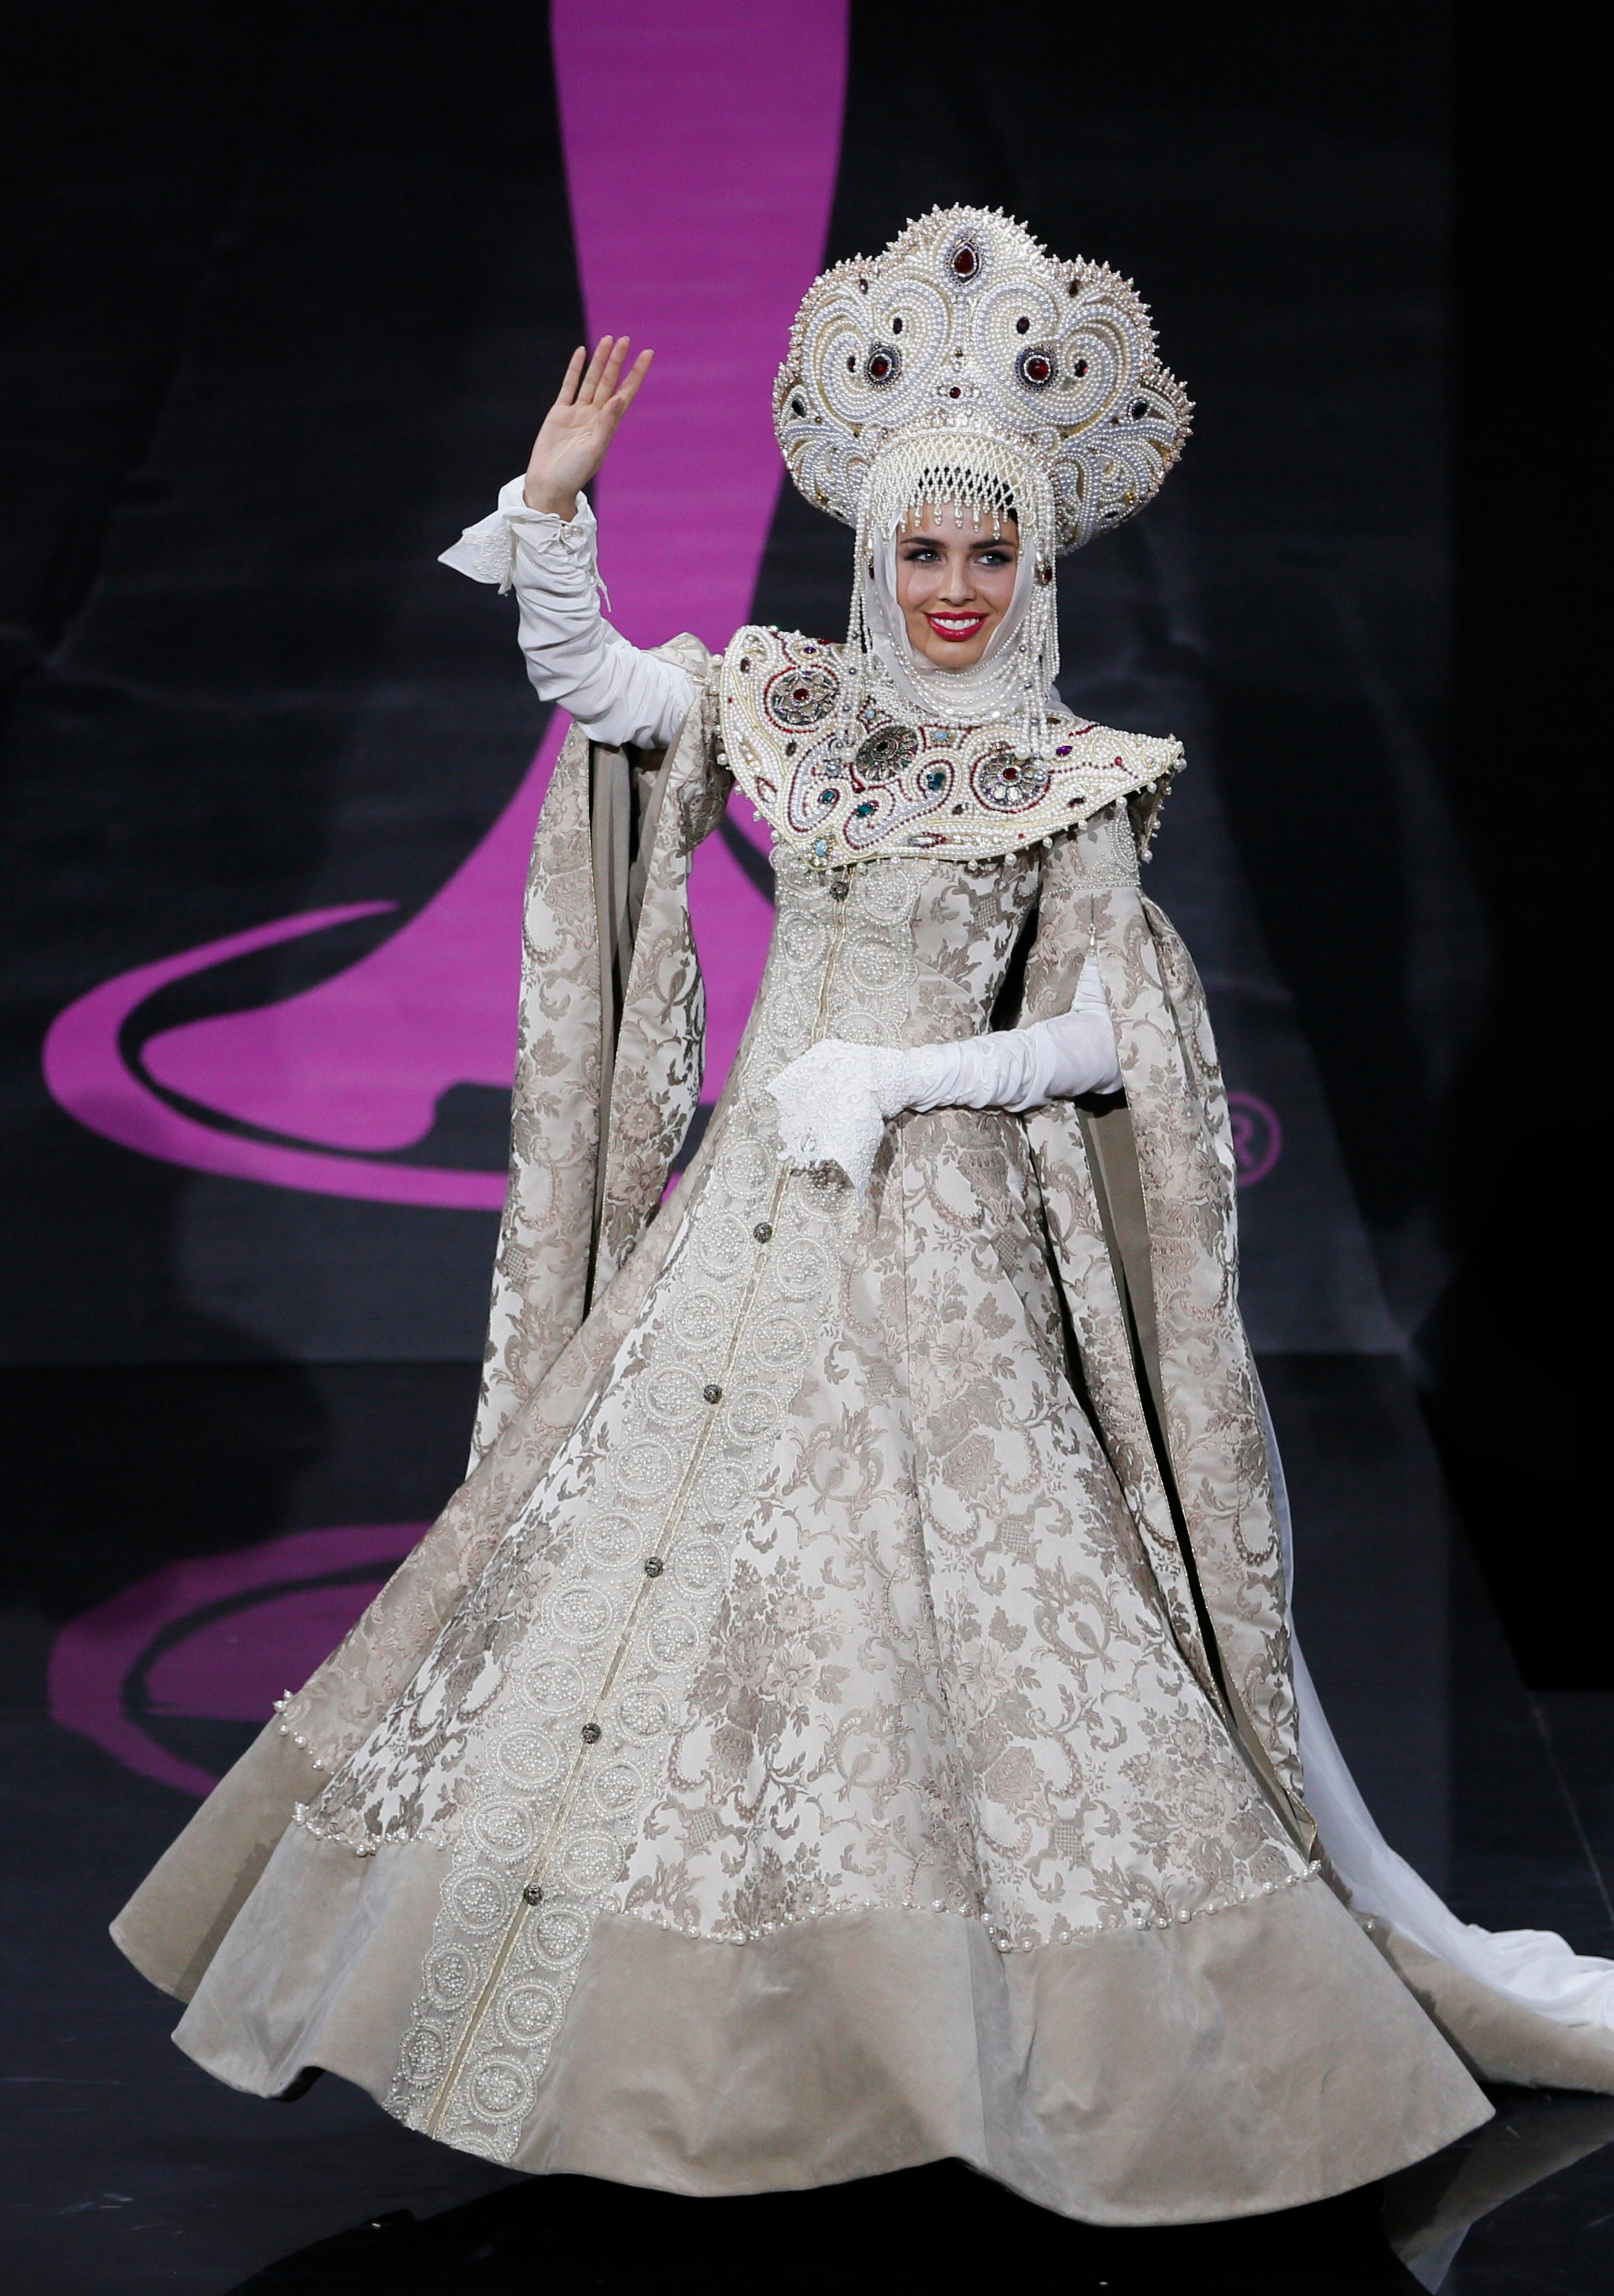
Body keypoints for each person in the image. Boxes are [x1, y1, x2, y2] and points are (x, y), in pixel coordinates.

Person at [113, 207, 1614, 2225]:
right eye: (926, 548)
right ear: (873, 551)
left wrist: (906, 1079)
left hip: (943, 1241)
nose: (961, 587)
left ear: (1040, 561)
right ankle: (678, 2049)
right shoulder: (795, 706)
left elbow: (1106, 1038)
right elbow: (611, 696)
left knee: (960, 1636)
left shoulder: (1075, 776)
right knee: (678, 1609)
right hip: (751, 1228)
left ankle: (982, 2048)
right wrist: (551, 517)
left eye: (994, 551)